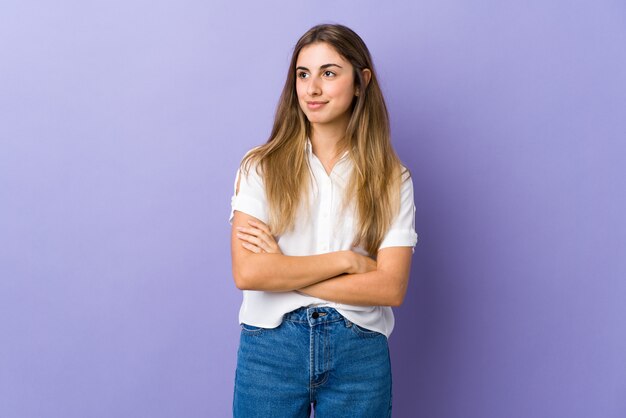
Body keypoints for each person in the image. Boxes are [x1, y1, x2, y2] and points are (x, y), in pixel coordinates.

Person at [229, 23, 418, 417]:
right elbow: (249, 273)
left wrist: (283, 271)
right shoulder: (259, 168)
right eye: (303, 74)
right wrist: (347, 262)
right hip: (270, 351)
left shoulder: (391, 177)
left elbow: (390, 287)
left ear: (360, 82)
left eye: (328, 73)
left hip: (359, 352)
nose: (311, 88)